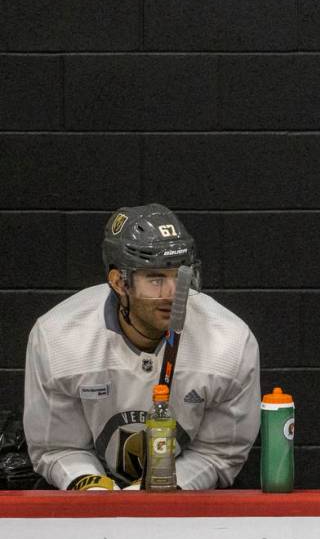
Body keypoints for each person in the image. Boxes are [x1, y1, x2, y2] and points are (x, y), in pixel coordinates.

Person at [24, 204, 261, 490]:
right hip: (90, 507)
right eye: (156, 278)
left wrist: (154, 492)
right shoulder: (57, 337)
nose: (174, 293)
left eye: (180, 276)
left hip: (183, 505)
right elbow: (57, 447)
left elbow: (217, 453)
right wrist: (94, 490)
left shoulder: (230, 343)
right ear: (119, 282)